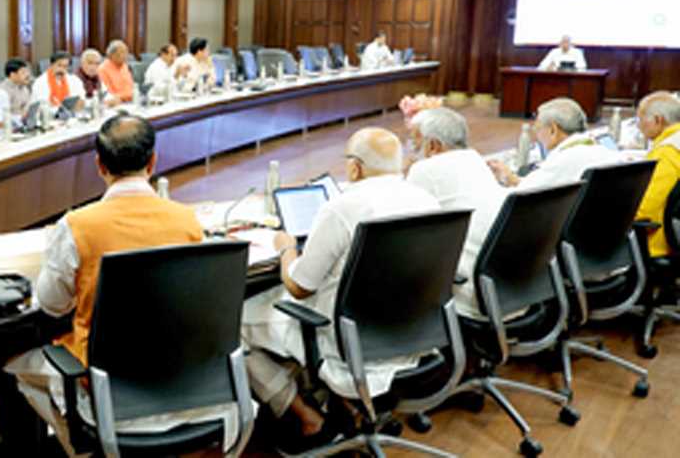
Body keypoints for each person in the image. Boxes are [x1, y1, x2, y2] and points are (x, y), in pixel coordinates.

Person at [5, 114, 246, 455]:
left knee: (19, 365)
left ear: (99, 165)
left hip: (106, 386)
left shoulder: (76, 226)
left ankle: (84, 449)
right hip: (185, 380)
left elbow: (52, 305)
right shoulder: (187, 221)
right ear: (153, 162)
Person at [241, 128, 440, 447]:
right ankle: (343, 402)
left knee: (237, 323)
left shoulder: (343, 208)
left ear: (355, 168)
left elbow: (299, 287)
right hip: (414, 335)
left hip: (352, 346)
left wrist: (286, 248)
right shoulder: (428, 201)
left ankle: (308, 418)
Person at [406, 108, 510, 320]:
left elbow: (402, 222)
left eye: (414, 141)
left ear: (433, 145)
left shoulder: (425, 169)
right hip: (509, 287)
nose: (410, 148)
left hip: (471, 294)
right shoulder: (476, 160)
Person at [488, 98, 618, 188]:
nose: (536, 133)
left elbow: (524, 194)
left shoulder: (564, 159)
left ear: (553, 130)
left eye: (538, 127)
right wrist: (512, 179)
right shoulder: (600, 149)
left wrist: (506, 178)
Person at [635, 91, 680, 257]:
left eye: (640, 119)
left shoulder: (666, 153)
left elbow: (645, 210)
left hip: (657, 246)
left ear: (657, 120)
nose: (638, 126)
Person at [31, 52, 86, 118]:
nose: (61, 69)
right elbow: (41, 106)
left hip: (71, 117)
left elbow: (81, 100)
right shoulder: (40, 82)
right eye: (59, 65)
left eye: (65, 66)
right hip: (48, 118)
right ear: (51, 65)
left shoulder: (74, 80)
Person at [97, 39, 134, 105]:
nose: (126, 55)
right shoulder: (103, 69)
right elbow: (108, 94)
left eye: (126, 52)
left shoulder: (125, 66)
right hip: (116, 104)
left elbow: (131, 87)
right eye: (122, 52)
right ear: (112, 55)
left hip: (131, 101)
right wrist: (128, 95)